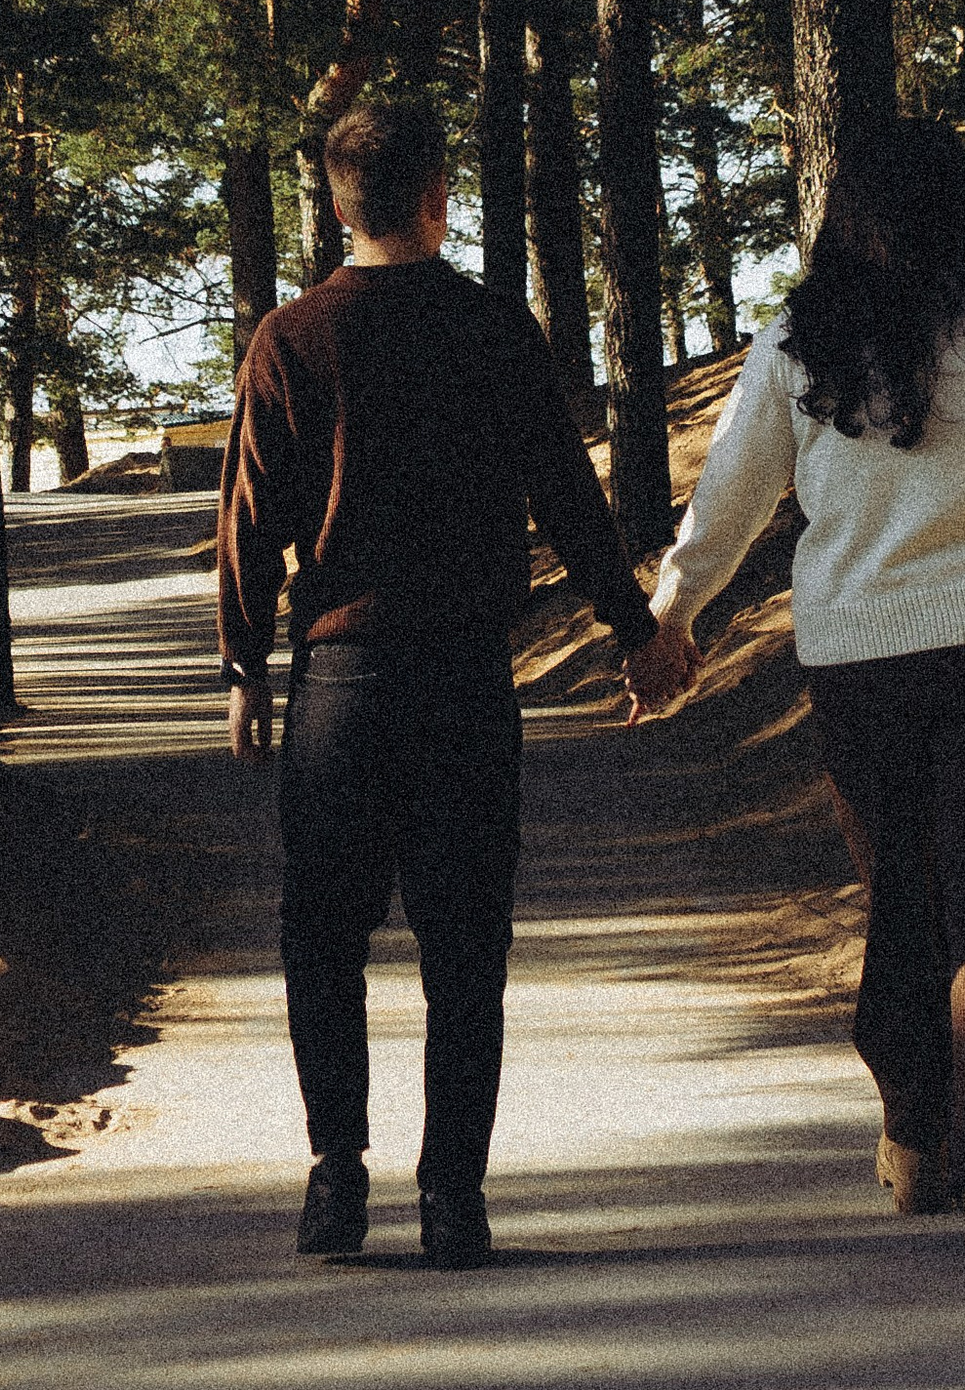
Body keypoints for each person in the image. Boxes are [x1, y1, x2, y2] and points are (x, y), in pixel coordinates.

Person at [642, 119, 965, 1260]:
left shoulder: (798, 347)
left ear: (842, 217)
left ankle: (918, 1144)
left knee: (906, 900)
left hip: (863, 659)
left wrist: (673, 616)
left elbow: (728, 501)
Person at [218, 91, 685, 1270]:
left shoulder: (288, 340)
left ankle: (335, 1178)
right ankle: (451, 1201)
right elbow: (568, 501)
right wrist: (633, 626)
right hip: (467, 684)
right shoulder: (494, 331)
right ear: (437, 198)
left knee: (321, 934)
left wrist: (243, 666)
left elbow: (250, 521)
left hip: (342, 680)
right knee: (465, 947)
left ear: (335, 203)